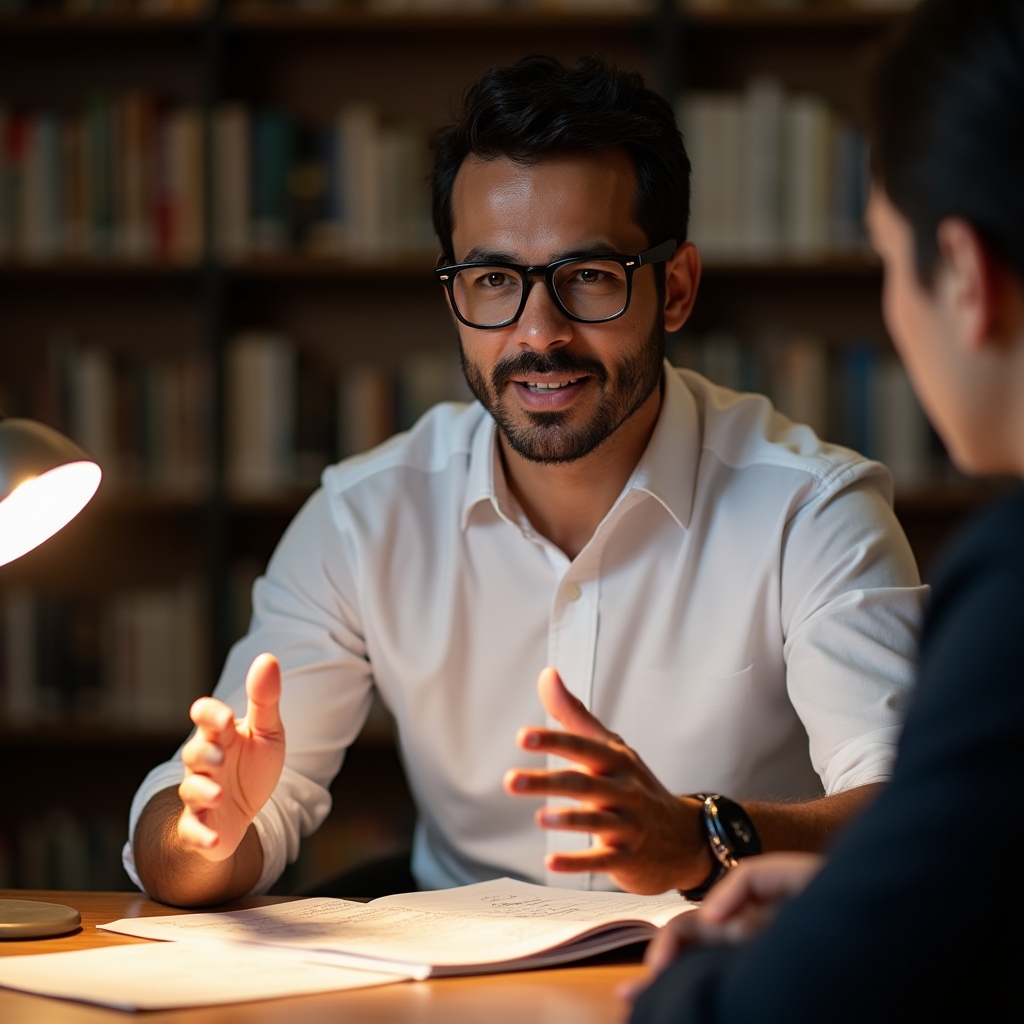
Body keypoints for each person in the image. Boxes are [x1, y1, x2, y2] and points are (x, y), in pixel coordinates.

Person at [124, 55, 927, 908]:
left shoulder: (811, 509)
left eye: (588, 276)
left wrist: (699, 838)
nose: (538, 333)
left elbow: (915, 811)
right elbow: (182, 844)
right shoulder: (365, 517)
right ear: (454, 297)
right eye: (495, 280)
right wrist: (204, 832)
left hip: (725, 978)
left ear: (677, 288)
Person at [627, 1, 1024, 1019]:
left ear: (969, 280)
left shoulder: (1011, 584)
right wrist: (852, 899)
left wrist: (691, 984)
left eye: (890, 261)